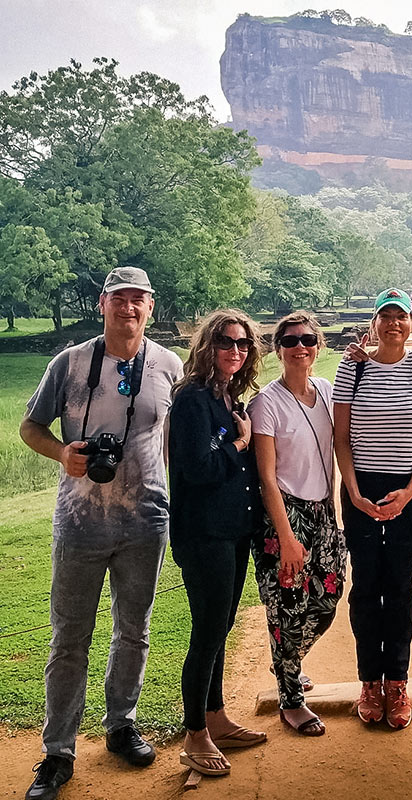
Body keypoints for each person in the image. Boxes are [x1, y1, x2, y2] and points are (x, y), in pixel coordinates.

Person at [19, 266, 183, 800]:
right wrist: (64, 453)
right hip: (80, 522)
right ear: (101, 304)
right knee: (69, 640)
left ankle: (121, 726)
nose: (128, 308)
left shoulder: (168, 365)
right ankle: (57, 752)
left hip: (146, 520)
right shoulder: (68, 363)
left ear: (150, 308)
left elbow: (177, 435)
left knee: (134, 630)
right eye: (119, 299)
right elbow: (30, 426)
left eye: (138, 300)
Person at [334, 288, 412, 730]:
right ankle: (369, 682)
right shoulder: (353, 368)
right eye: (386, 316)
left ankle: (396, 681)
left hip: (407, 489)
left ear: (410, 322)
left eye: (401, 316)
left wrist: (411, 490)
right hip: (360, 487)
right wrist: (355, 492)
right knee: (365, 585)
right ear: (374, 322)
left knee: (398, 586)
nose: (394, 323)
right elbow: (342, 438)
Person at [167, 310, 268, 777]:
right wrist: (239, 441)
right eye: (227, 342)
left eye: (243, 344)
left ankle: (216, 716)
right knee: (207, 632)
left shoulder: (225, 396)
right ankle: (194, 735)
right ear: (207, 346)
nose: (236, 351)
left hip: (232, 530)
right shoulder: (191, 400)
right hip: (204, 533)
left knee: (221, 626)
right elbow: (199, 467)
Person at [249, 312, 346, 737]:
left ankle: (288, 661)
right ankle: (291, 698)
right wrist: (287, 536)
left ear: (319, 345)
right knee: (287, 607)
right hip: (284, 516)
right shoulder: (265, 403)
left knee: (328, 599)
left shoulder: (326, 391)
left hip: (323, 511)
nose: (300, 347)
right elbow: (266, 477)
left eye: (308, 339)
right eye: (290, 341)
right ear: (278, 348)